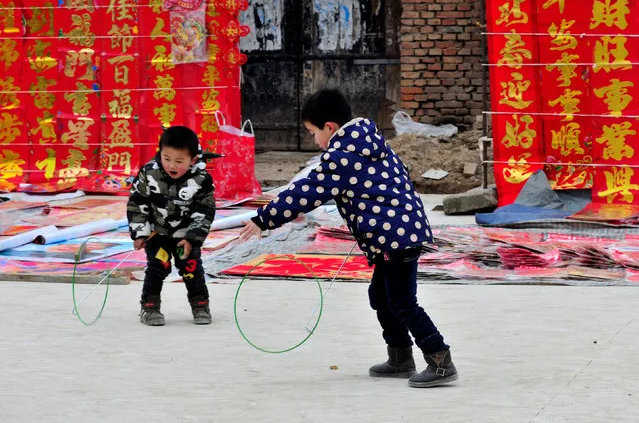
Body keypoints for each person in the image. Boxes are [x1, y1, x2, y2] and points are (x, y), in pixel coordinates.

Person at [240, 89, 458, 388]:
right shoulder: (365, 143)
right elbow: (317, 186)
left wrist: (265, 217)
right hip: (394, 233)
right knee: (381, 297)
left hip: (395, 237)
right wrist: (279, 197)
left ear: (330, 127)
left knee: (403, 302)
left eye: (313, 132)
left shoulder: (343, 155)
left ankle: (440, 360)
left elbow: (311, 190)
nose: (314, 140)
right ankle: (400, 356)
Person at [128, 126, 216, 326]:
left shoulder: (201, 180)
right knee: (157, 267)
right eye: (166, 158)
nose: (171, 165)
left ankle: (200, 305)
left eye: (179, 161)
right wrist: (140, 233)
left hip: (185, 235)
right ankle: (150, 307)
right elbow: (137, 203)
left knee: (191, 268)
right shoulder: (149, 173)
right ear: (160, 153)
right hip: (157, 233)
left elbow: (205, 211)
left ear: (192, 160)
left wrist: (193, 237)